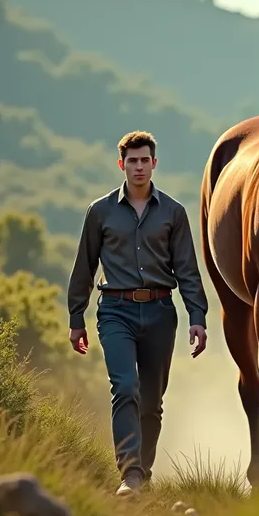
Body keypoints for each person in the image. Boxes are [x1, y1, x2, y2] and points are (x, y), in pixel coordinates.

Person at [67, 130, 208, 497]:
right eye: (133, 161)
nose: (139, 166)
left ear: (154, 164)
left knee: (151, 401)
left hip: (161, 311)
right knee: (125, 387)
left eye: (145, 160)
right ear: (122, 165)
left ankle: (142, 473)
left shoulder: (174, 212)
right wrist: (75, 317)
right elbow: (84, 266)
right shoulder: (100, 211)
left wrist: (197, 316)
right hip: (116, 310)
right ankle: (128, 473)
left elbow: (188, 270)